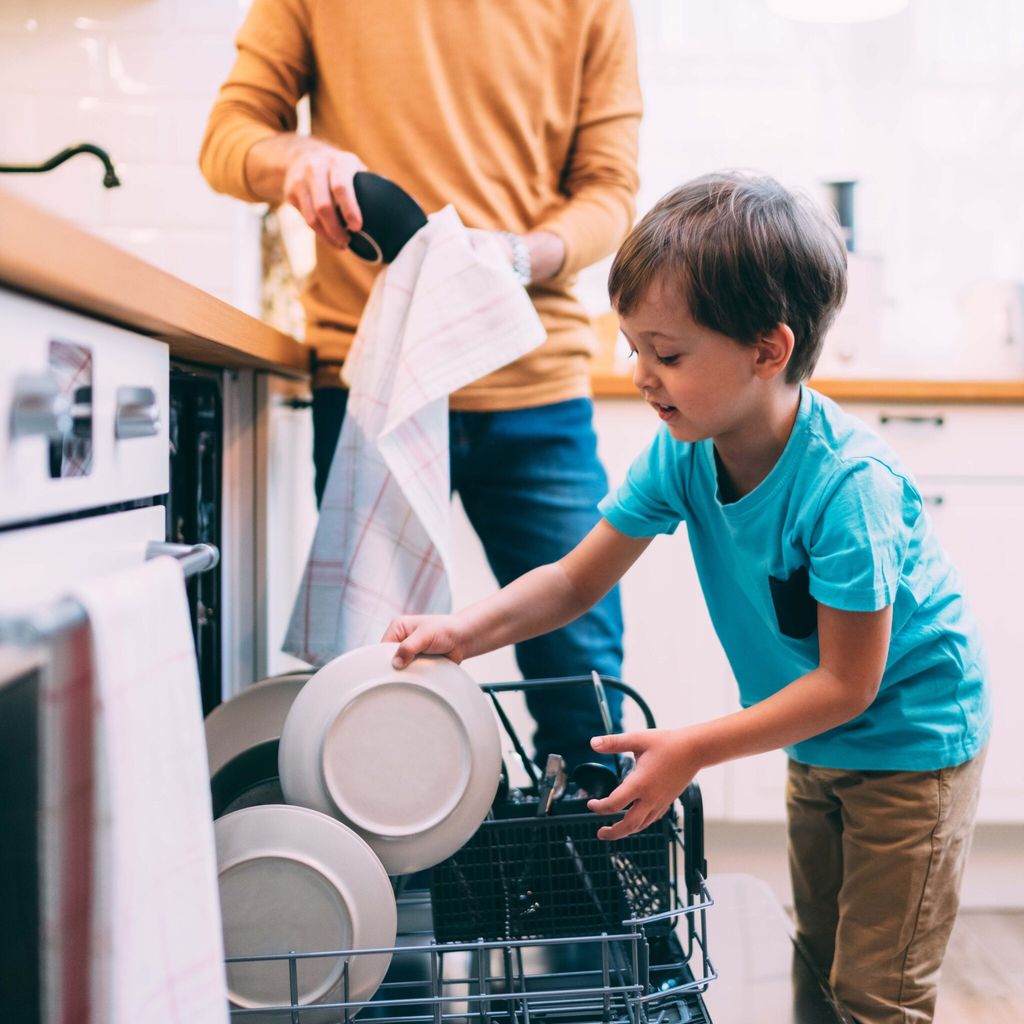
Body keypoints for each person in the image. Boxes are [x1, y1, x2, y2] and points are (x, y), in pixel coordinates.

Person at [383, 172, 991, 1024]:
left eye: (666, 354)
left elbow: (850, 685)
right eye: (634, 347)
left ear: (767, 351)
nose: (640, 375)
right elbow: (573, 580)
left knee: (876, 993)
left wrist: (695, 748)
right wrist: (463, 631)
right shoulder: (686, 453)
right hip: (817, 740)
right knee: (817, 963)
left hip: (911, 745)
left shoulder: (848, 489)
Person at [198, 0, 642, 771]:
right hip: (375, 384)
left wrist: (515, 256)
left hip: (534, 386)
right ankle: (382, 891)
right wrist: (296, 159)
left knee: (587, 698)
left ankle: (588, 881)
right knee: (369, 682)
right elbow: (226, 140)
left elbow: (610, 193)